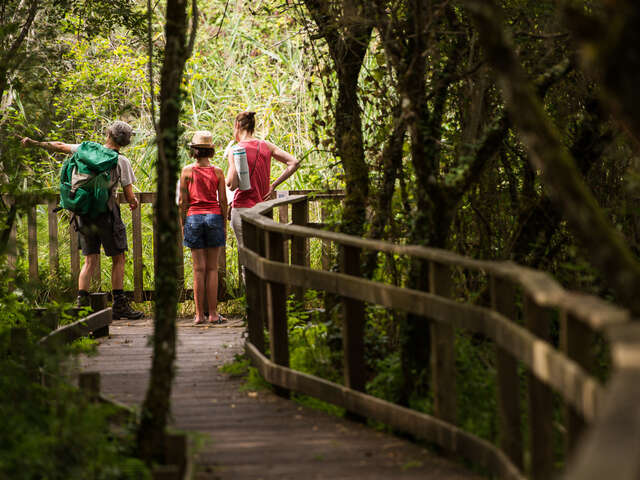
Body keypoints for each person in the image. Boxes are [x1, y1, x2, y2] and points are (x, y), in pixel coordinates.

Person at [21, 121, 144, 319]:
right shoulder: (121, 161)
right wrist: (133, 202)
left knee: (90, 260)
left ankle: (82, 303)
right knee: (118, 258)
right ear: (125, 142)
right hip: (107, 214)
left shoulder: (86, 149)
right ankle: (119, 305)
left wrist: (34, 143)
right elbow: (129, 195)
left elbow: (60, 146)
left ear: (108, 135)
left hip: (83, 213)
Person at [226, 111, 300, 257]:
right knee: (263, 256)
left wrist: (231, 166)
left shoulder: (235, 150)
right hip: (263, 209)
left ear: (237, 125)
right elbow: (294, 162)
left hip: (243, 209)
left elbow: (231, 184)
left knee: (248, 258)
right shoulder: (266, 145)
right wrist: (273, 185)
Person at [179, 131, 228, 325]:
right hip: (214, 217)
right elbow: (223, 201)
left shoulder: (187, 172)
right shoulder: (217, 172)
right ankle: (214, 314)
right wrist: (223, 223)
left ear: (194, 151)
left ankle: (199, 315)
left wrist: (183, 223)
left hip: (193, 218)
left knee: (198, 269)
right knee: (213, 269)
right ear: (211, 151)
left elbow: (183, 201)